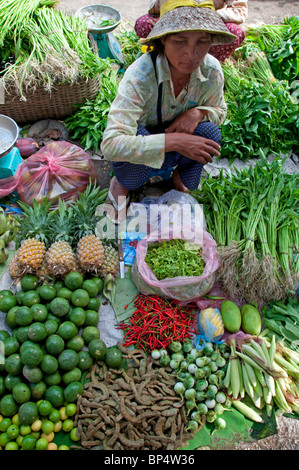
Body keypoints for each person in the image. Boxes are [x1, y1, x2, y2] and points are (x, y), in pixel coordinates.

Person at [100, 0, 236, 224]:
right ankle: (122, 183)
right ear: (163, 39)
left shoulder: (211, 70)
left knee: (210, 133)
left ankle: (179, 180)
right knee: (132, 177)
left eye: (202, 41)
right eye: (180, 41)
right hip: (145, 140)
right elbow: (111, 145)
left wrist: (199, 113)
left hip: (175, 142)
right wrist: (174, 141)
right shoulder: (141, 75)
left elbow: (220, 110)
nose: (191, 53)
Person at [135, 0, 248, 62]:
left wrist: (206, 14)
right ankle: (167, 56)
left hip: (208, 23)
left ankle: (207, 58)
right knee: (144, 23)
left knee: (235, 32)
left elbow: (239, 11)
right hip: (175, 20)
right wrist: (177, 6)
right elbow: (154, 8)